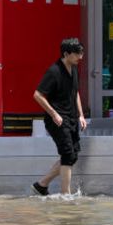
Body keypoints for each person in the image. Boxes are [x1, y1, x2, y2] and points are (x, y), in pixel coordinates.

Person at [32, 38, 88, 196]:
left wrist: (81, 115)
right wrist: (54, 113)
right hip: (56, 119)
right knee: (68, 154)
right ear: (66, 54)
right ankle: (66, 194)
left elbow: (75, 91)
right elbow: (37, 95)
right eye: (77, 54)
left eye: (81, 53)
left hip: (70, 117)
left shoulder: (74, 68)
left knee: (73, 155)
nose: (81, 57)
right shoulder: (54, 71)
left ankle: (41, 185)